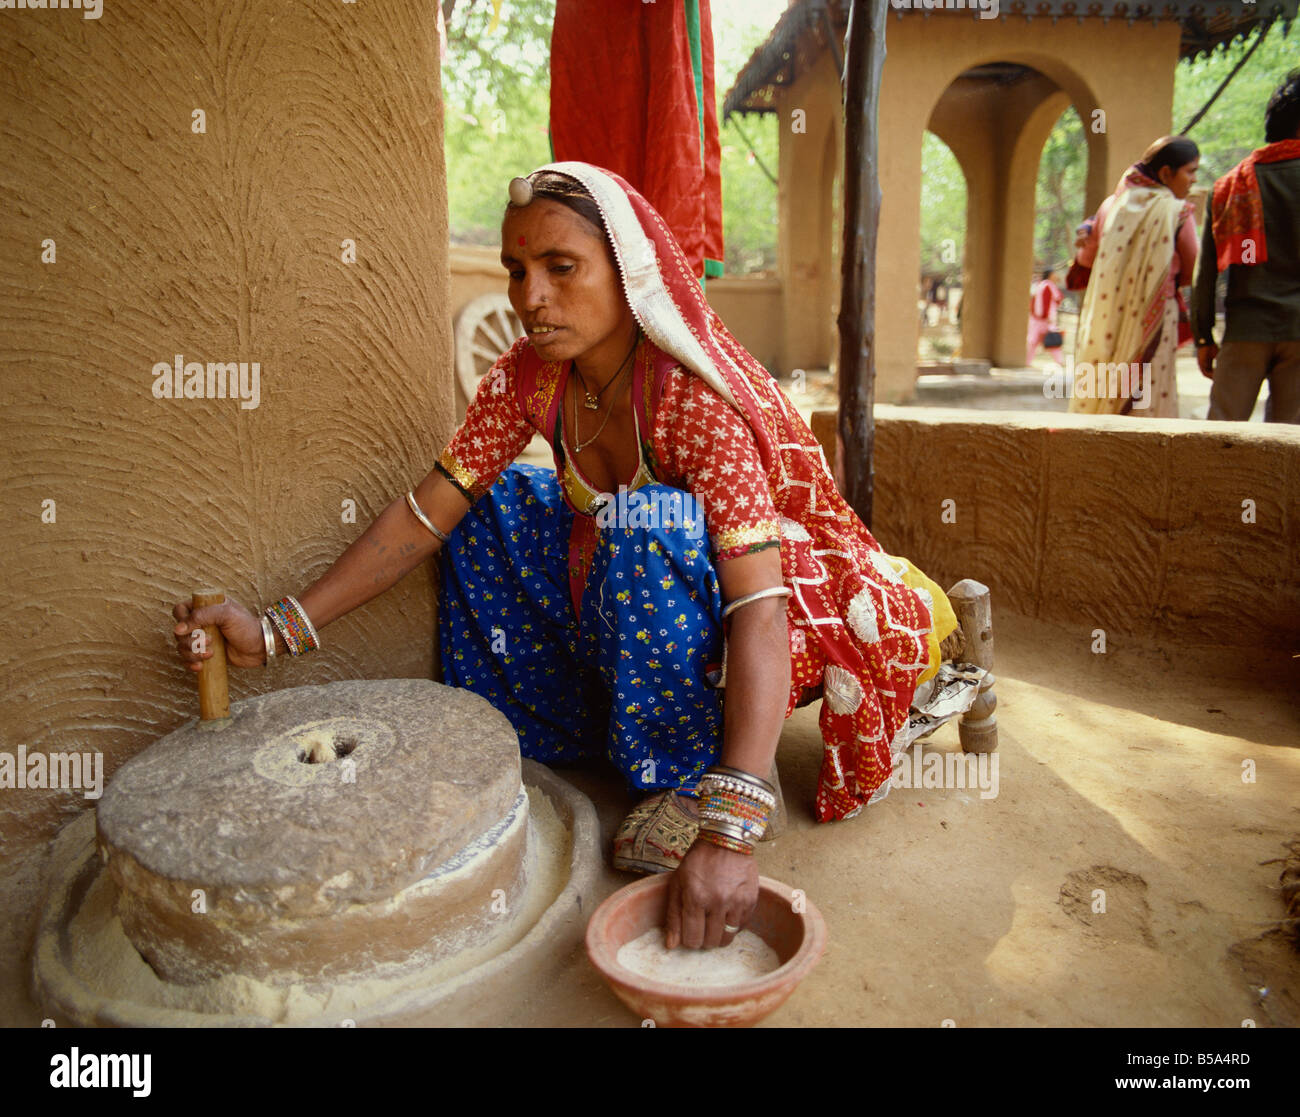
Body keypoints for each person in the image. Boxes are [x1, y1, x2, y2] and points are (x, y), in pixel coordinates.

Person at [171, 163, 957, 951]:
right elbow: (422, 516)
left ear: (629, 272)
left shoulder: (692, 403)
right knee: (487, 507)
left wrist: (733, 831)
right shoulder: (530, 379)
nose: (528, 295)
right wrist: (273, 630)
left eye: (560, 267)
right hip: (620, 597)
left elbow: (757, 607)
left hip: (753, 620)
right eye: (517, 270)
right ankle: (591, 726)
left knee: (647, 524)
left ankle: (692, 779)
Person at [1192, 69, 1300, 424]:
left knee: (1220, 438)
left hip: (1244, 331)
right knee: (1290, 446)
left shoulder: (1230, 185)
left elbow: (1205, 273)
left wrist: (1203, 335)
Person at [1068, 136, 1200, 417]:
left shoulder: (1110, 206)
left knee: (1103, 384)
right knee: (1147, 393)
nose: (1193, 180)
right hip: (1155, 315)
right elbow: (1192, 271)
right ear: (1166, 173)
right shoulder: (1178, 213)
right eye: (1190, 171)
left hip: (1106, 313)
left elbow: (1086, 261)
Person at [1026, 268, 1065, 368]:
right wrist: (1047, 315)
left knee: (1033, 341)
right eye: (1054, 274)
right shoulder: (1048, 285)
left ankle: (1027, 361)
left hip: (1036, 318)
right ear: (1050, 275)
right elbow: (1057, 299)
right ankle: (1059, 361)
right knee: (1053, 340)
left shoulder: (1040, 285)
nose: (1056, 276)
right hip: (1045, 319)